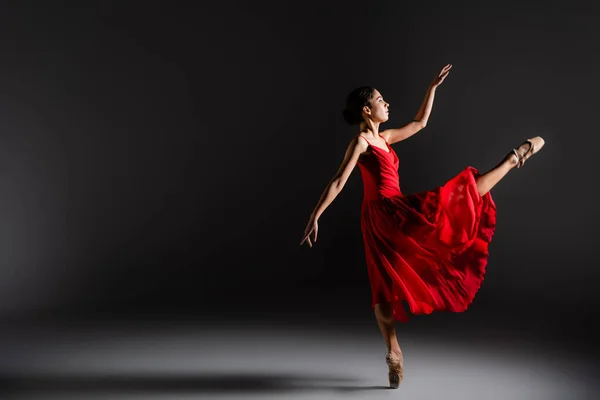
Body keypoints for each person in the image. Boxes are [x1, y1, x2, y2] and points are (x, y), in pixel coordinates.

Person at [299, 64, 545, 388]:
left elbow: (419, 123)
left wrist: (432, 88)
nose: (386, 104)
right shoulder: (361, 142)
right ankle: (512, 160)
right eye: (380, 100)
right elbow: (338, 182)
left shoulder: (384, 137)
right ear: (366, 109)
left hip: (386, 215)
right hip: (384, 214)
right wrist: (315, 215)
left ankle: (394, 353)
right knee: (449, 205)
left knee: (386, 283)